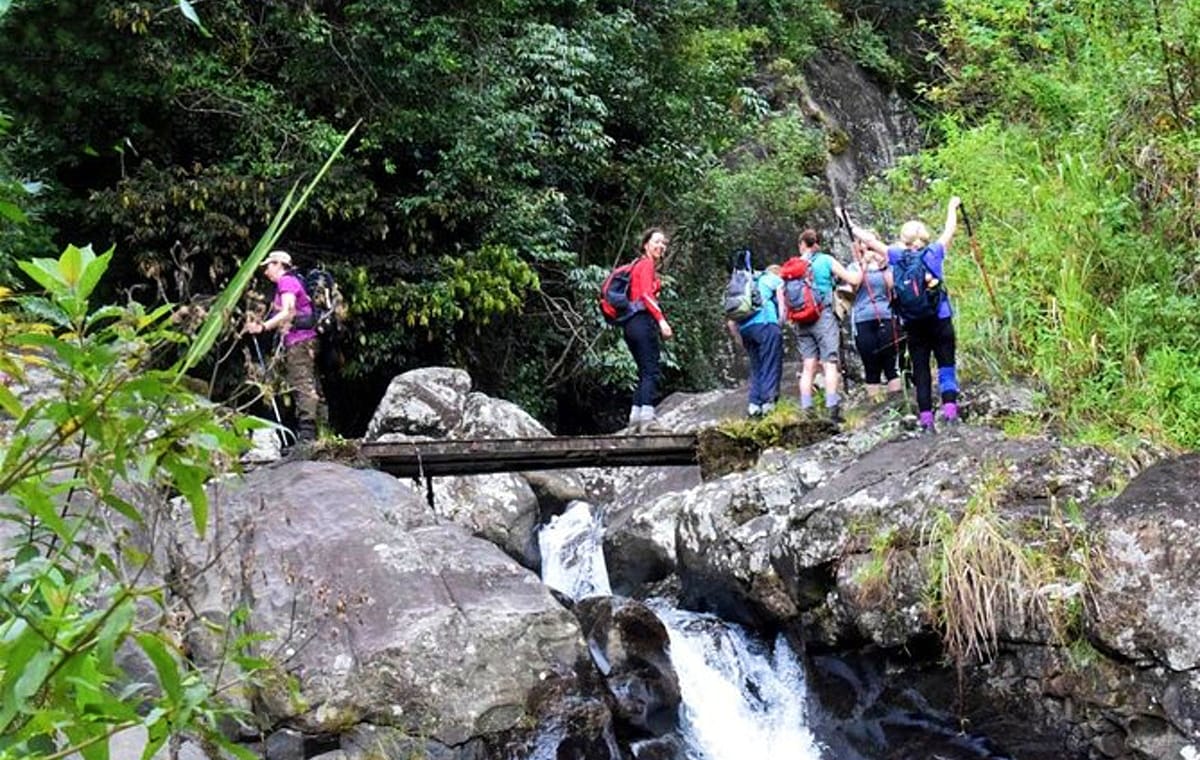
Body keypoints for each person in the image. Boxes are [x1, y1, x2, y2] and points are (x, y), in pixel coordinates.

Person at [855, 196, 962, 433]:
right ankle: (951, 414)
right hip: (940, 318)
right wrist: (951, 206)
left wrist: (850, 225)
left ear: (904, 239)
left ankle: (926, 422)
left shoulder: (895, 255)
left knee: (921, 370)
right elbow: (949, 229)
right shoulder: (935, 251)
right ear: (923, 236)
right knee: (946, 365)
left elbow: (870, 241)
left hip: (913, 324)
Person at [246, 250, 320, 445]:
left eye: (268, 266)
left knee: (302, 383)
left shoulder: (286, 282)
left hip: (299, 341)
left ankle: (307, 435)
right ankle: (308, 431)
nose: (266, 271)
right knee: (303, 382)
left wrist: (263, 327)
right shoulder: (293, 282)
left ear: (279, 264)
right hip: (301, 341)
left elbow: (287, 312)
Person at [791, 228, 862, 423]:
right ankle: (832, 408)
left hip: (801, 320)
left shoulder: (795, 266)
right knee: (830, 363)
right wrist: (861, 266)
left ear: (802, 245)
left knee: (808, 366)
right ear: (818, 244)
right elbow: (853, 279)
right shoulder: (826, 260)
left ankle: (807, 409)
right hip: (823, 316)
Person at [624, 227, 674, 432]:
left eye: (663, 243)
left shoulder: (637, 266)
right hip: (642, 321)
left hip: (630, 324)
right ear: (646, 245)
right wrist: (662, 321)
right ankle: (647, 420)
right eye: (656, 242)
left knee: (644, 371)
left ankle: (636, 419)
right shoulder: (646, 265)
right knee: (651, 370)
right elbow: (645, 295)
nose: (661, 246)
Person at [847, 234, 904, 403]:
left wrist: (882, 264)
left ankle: (896, 404)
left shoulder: (886, 267)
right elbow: (853, 286)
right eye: (863, 246)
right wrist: (863, 264)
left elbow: (893, 285)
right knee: (870, 366)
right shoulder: (853, 267)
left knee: (890, 365)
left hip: (886, 316)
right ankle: (874, 408)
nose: (867, 249)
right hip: (862, 319)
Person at [727, 260, 785, 417]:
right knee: (771, 363)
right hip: (766, 324)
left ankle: (754, 405)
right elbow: (782, 304)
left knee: (756, 366)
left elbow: (731, 321)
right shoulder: (774, 279)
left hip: (746, 330)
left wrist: (740, 339)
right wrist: (780, 323)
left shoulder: (748, 281)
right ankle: (769, 403)